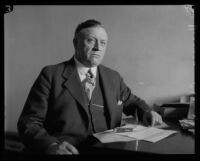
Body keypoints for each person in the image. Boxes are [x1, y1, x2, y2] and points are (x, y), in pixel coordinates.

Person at [17, 19, 163, 155]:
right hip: (68, 152)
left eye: (103, 43)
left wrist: (147, 111)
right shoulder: (51, 74)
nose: (98, 48)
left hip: (109, 151)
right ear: (76, 43)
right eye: (90, 40)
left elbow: (132, 102)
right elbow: (29, 122)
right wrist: (51, 145)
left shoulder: (113, 77)